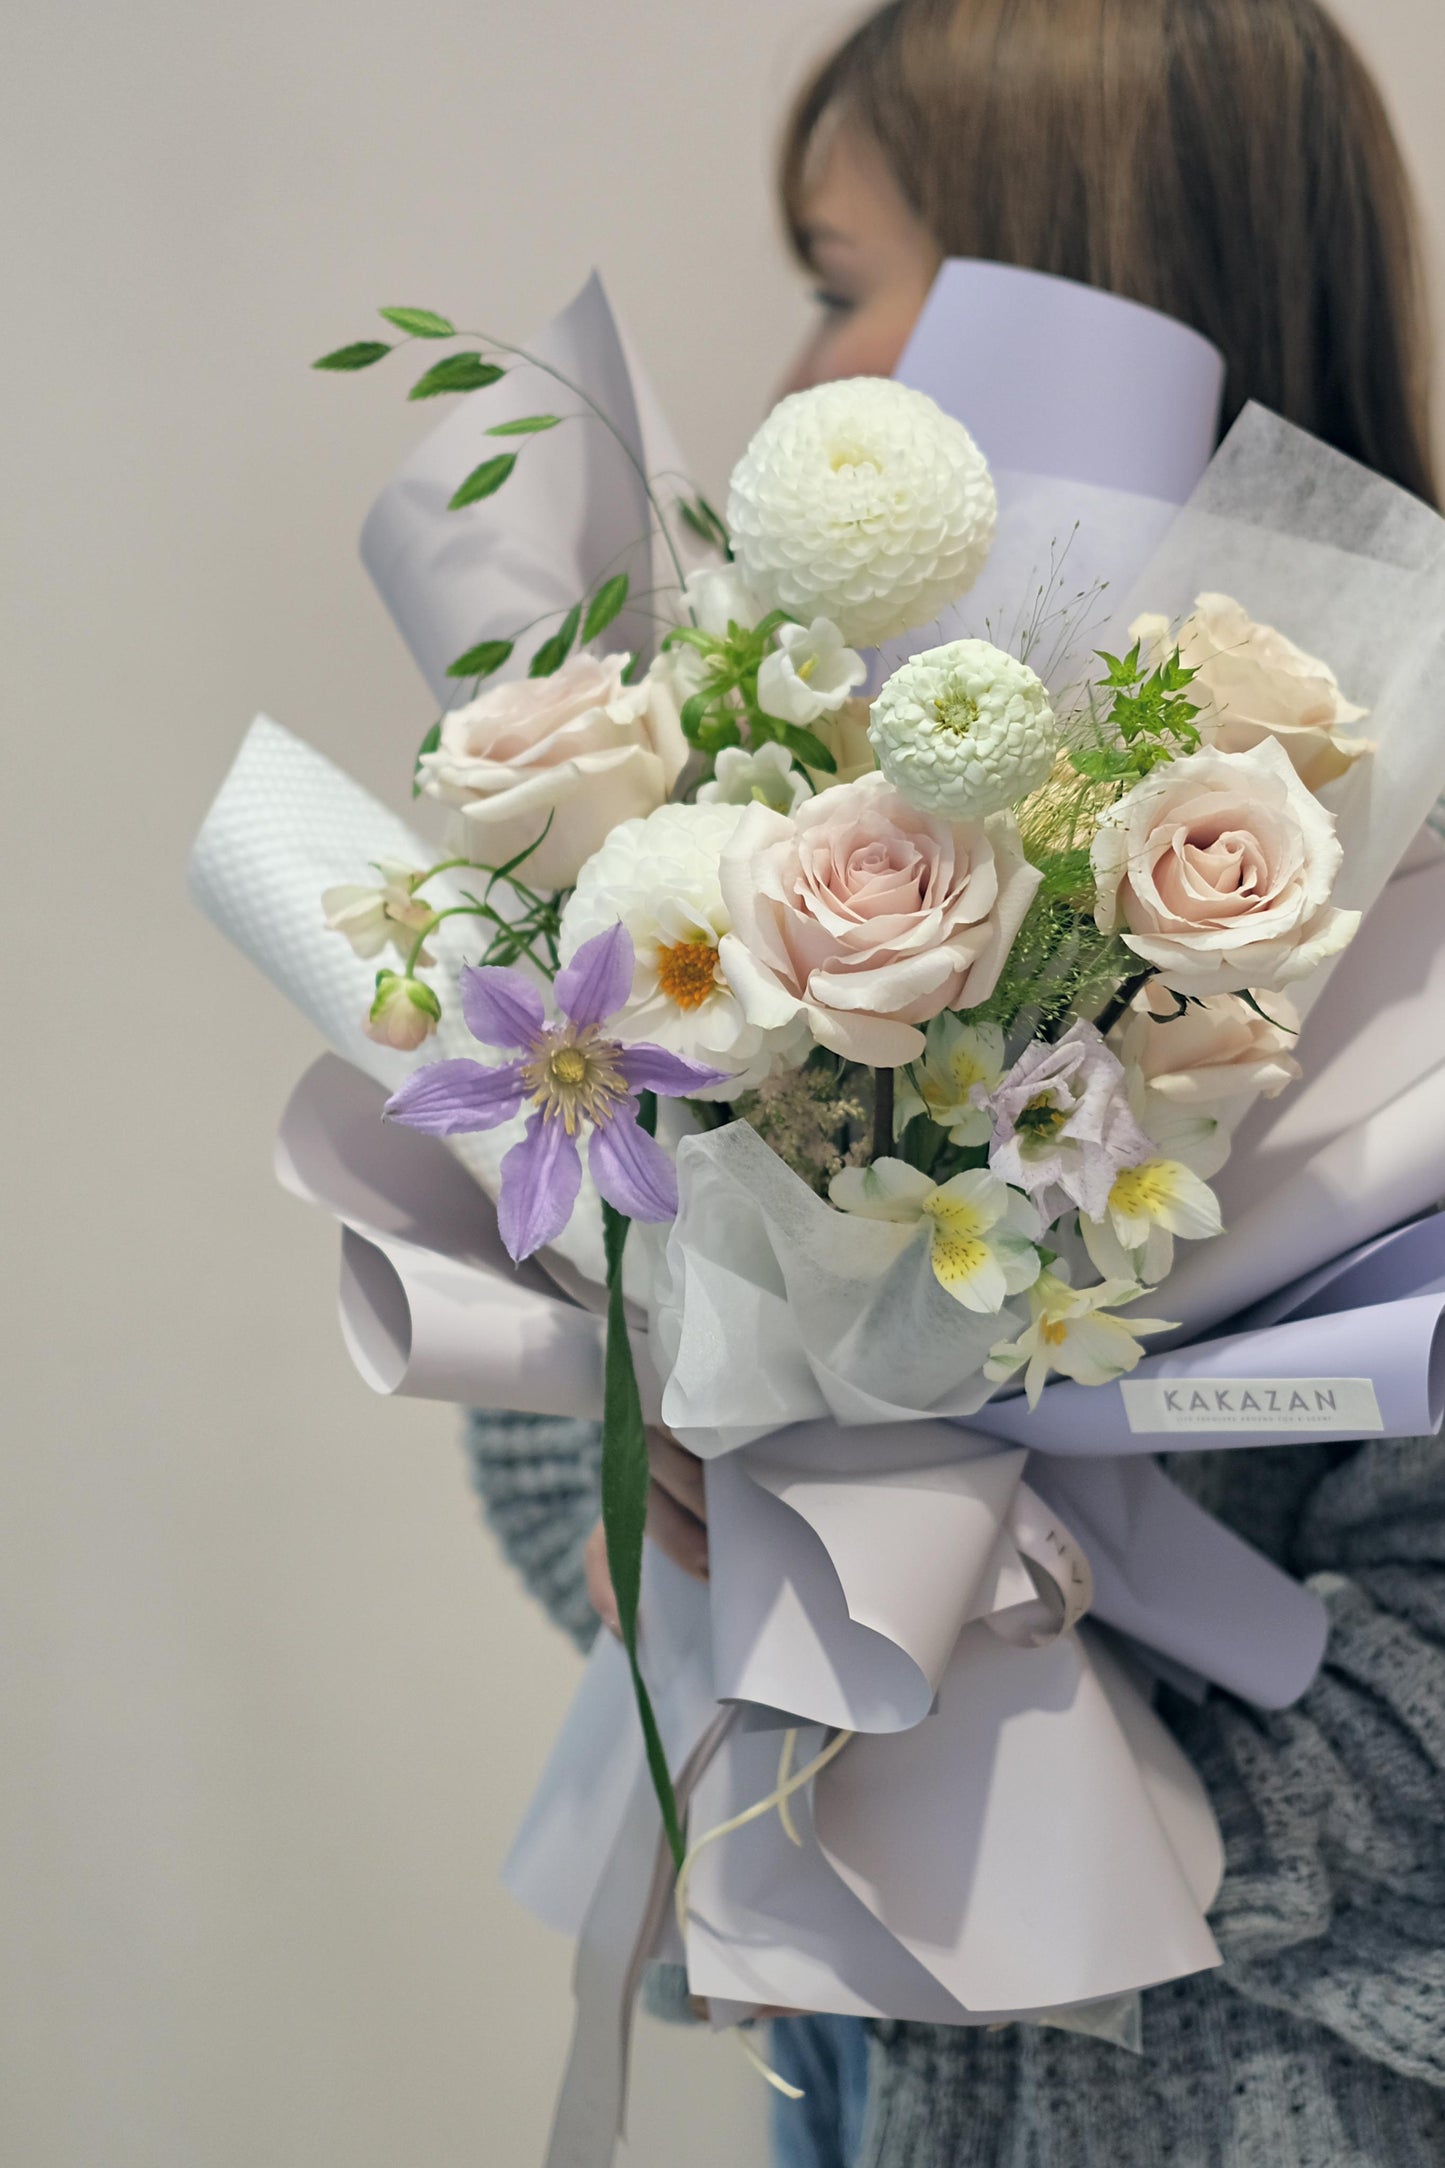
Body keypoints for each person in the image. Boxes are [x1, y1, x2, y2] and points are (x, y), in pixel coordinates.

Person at [468, 2, 1445, 2162]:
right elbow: (567, 1397)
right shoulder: (783, 810)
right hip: (867, 2076)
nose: (808, 370)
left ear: (1076, 269)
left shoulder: (1399, 940)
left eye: (843, 278)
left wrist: (993, 1678)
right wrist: (692, 1531)